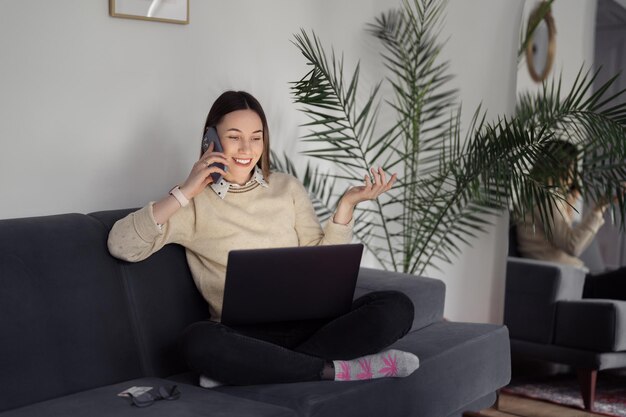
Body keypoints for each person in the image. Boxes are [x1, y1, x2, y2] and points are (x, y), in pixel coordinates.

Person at [108, 90, 419, 387]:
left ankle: (254, 371)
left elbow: (322, 265)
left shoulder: (288, 188)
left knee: (396, 306)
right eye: (234, 138)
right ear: (210, 140)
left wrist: (346, 206)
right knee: (198, 341)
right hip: (245, 337)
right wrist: (186, 191)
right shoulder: (192, 203)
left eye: (256, 138)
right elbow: (121, 245)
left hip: (312, 325)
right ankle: (336, 370)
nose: (247, 150)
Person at [515, 139, 626, 300]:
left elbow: (568, 244)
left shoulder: (539, 197)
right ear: (561, 167)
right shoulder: (545, 198)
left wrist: (568, 209)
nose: (573, 175)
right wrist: (599, 207)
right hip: (570, 285)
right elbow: (573, 246)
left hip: (572, 281)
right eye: (572, 167)